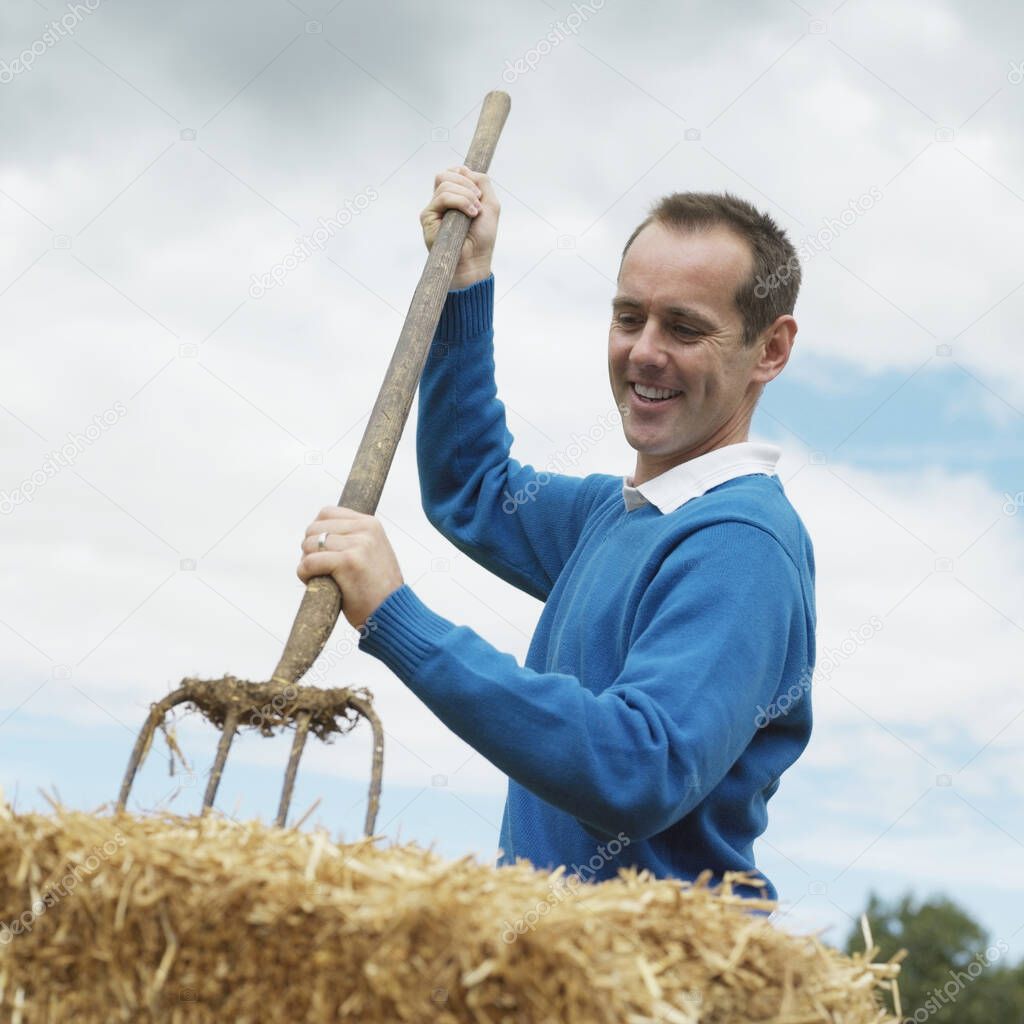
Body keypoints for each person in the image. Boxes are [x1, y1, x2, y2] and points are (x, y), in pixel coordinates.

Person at [297, 165, 816, 902]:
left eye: (686, 328)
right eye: (629, 317)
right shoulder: (615, 517)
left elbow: (641, 766)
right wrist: (465, 281)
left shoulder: (740, 545)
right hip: (552, 963)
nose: (643, 352)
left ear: (770, 349)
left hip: (653, 984)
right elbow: (470, 485)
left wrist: (398, 619)